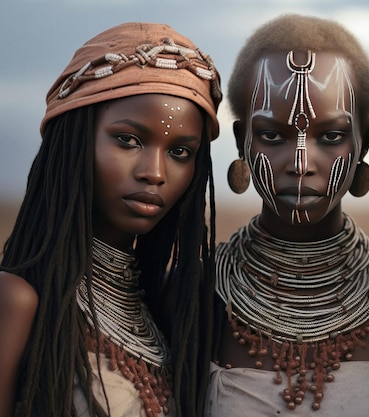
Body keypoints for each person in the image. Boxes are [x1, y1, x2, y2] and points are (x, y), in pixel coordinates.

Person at [207, 14, 369, 416]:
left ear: (366, 141)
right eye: (272, 135)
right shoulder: (194, 295)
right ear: (242, 142)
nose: (301, 163)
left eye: (331, 136)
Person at [0, 22, 222, 417]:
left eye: (180, 152)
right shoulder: (16, 301)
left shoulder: (166, 307)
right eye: (128, 140)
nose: (154, 172)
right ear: (74, 139)